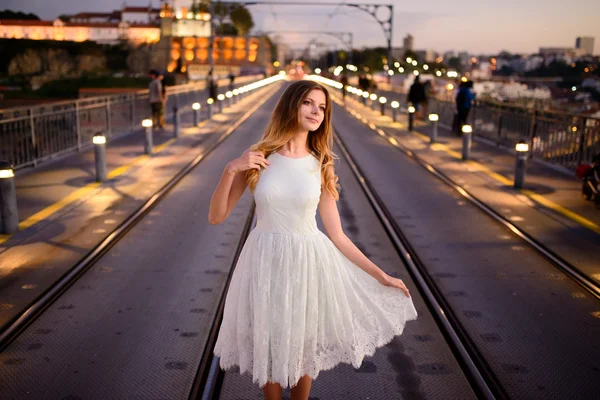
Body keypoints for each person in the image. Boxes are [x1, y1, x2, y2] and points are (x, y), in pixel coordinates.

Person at [208, 80, 417, 400]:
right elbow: (216, 216)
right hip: (265, 260)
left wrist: (382, 276)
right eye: (308, 103)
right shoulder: (257, 156)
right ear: (291, 105)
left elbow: (337, 235)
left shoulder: (320, 164)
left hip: (307, 264)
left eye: (322, 107)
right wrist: (230, 169)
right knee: (270, 341)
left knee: (302, 344)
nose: (316, 112)